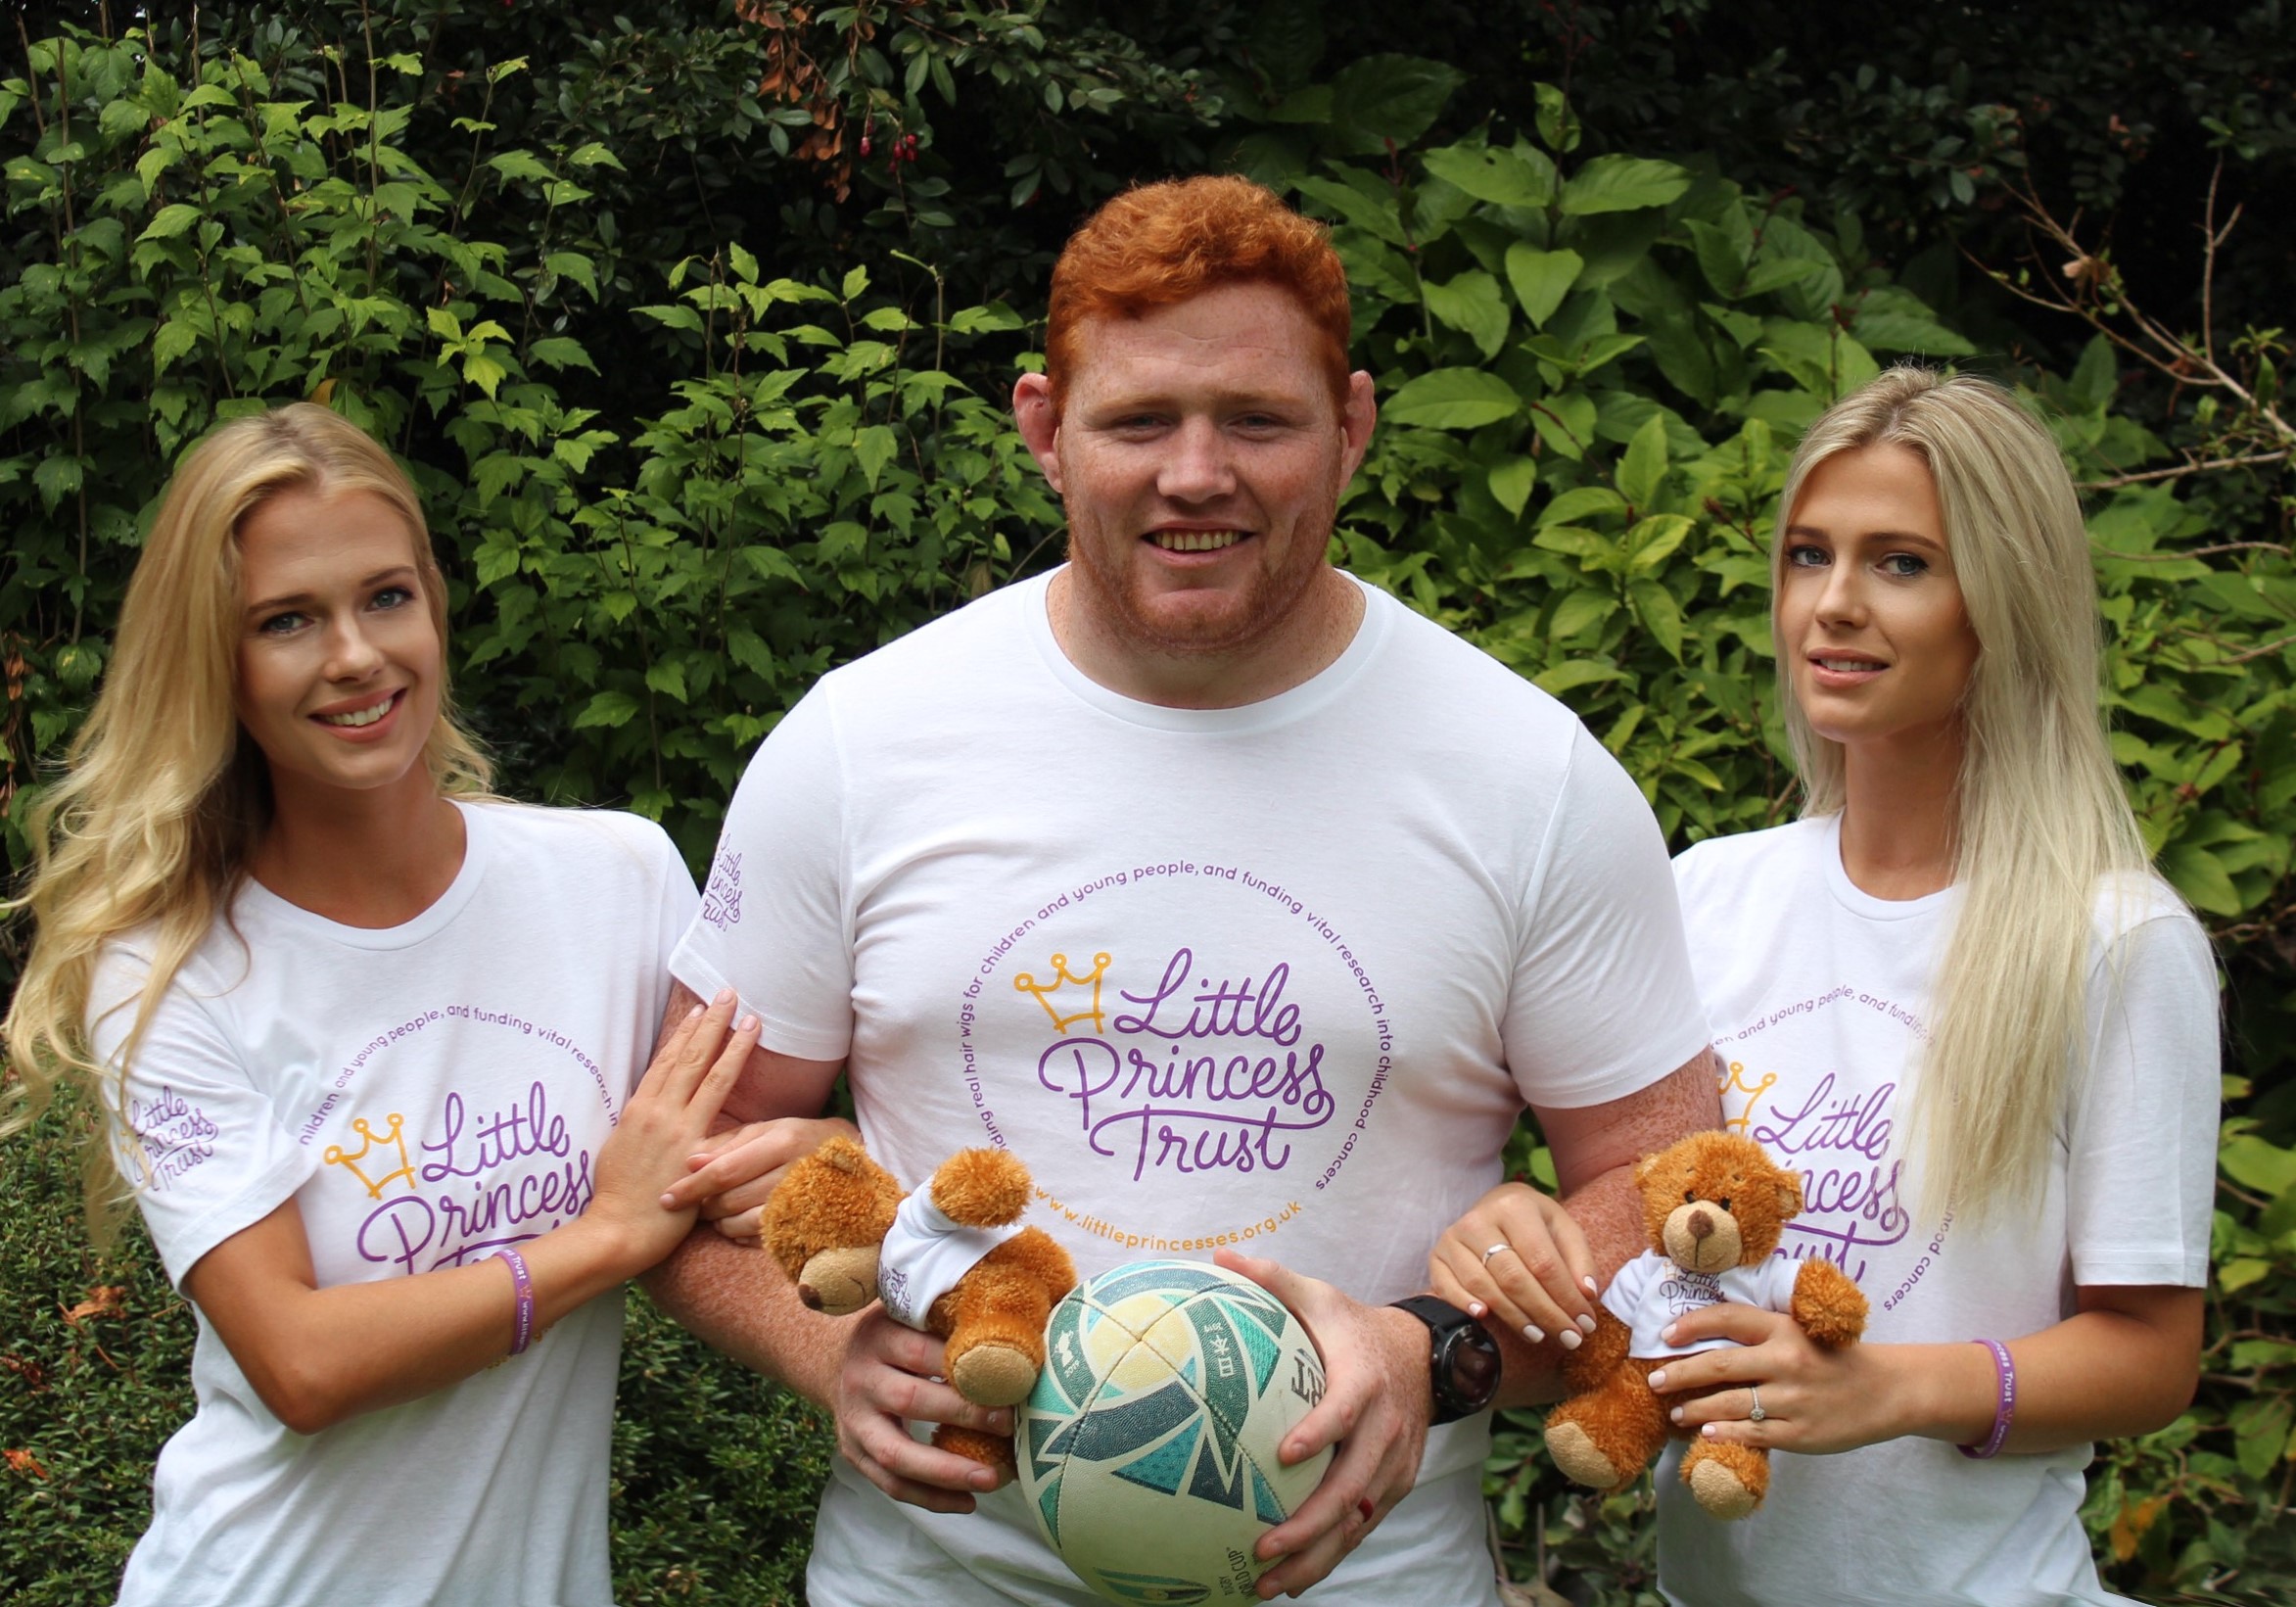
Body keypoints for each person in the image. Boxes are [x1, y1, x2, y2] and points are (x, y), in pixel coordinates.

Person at [643, 174, 1722, 1606]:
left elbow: (1663, 1181)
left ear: (1350, 426)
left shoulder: (1529, 778)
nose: (1194, 474)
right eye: (1139, 420)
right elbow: (672, 1155)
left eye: (1257, 421)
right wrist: (820, 1345)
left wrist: (1435, 1350)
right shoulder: (860, 746)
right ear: (1043, 428)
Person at [1432, 368, 2218, 1605]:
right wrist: (1518, 1234)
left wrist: (1888, 1388)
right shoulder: (1703, 895)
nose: (1832, 606)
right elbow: (1640, 1233)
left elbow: (2150, 1356)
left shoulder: (2111, 941)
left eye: (1900, 563)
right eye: (1807, 555)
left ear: (2000, 601)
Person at [0, 403, 760, 1606]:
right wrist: (602, 1239)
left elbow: (746, 1181)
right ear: (217, 663)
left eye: (386, 597)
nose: (354, 654)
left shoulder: (617, 881)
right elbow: (300, 1364)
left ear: (436, 608)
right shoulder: (171, 974)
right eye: (287, 620)